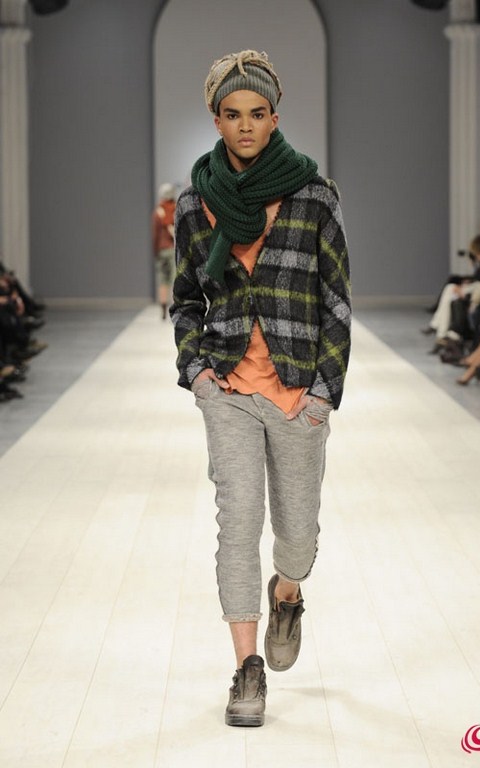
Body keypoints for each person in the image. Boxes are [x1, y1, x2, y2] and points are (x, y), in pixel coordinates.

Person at [170, 50, 351, 727]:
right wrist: (198, 374)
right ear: (215, 119)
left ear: (274, 117)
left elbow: (337, 300)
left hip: (299, 390)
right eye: (232, 114)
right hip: (230, 391)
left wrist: (324, 392)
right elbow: (185, 299)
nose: (245, 125)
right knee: (237, 524)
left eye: (257, 113)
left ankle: (288, 594)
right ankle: (247, 669)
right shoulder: (196, 204)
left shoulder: (314, 195)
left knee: (297, 538)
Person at [151, 182, 177, 319]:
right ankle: (176, 309)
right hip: (173, 250)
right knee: (175, 279)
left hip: (162, 250)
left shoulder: (158, 212)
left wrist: (155, 251)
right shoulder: (176, 209)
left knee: (163, 280)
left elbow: (155, 235)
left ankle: (163, 310)